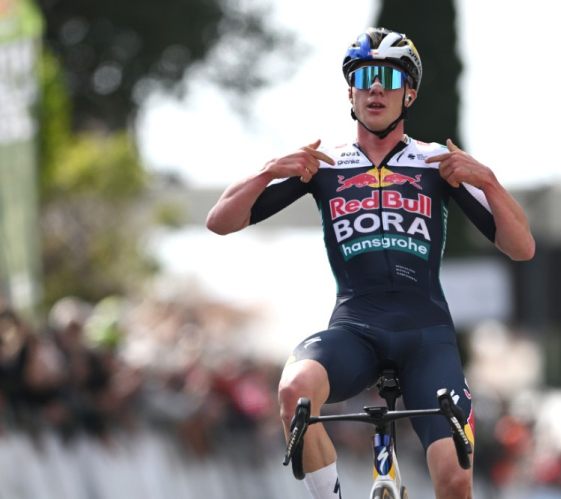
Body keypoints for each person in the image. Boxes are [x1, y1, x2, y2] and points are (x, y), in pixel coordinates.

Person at [206, 27, 535, 499]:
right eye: (363, 78)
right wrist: (267, 172)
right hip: (355, 331)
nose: (375, 88)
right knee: (293, 390)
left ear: (409, 93)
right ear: (351, 94)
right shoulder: (323, 165)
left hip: (426, 339)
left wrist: (489, 181)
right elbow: (220, 221)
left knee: (454, 480)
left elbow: (522, 247)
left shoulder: (436, 162)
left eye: (388, 77)